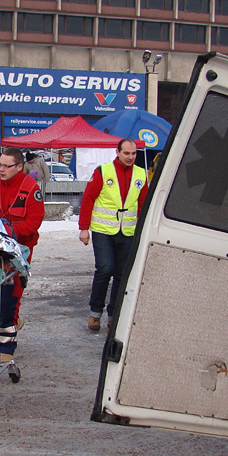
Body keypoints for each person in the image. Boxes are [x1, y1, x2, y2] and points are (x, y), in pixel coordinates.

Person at [0, 147, 45, 363]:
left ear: (19, 167)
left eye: (6, 166)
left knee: (12, 293)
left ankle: (7, 347)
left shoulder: (31, 188)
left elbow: (34, 221)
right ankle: (6, 322)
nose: (0, 169)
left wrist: (10, 232)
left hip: (20, 249)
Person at [78, 139, 148, 332]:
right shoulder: (103, 171)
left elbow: (143, 205)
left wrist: (142, 230)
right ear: (117, 152)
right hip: (103, 231)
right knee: (105, 269)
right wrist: (84, 228)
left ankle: (114, 315)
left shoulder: (141, 174)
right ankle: (95, 313)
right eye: (126, 153)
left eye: (133, 154)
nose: (130, 157)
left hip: (128, 231)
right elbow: (88, 199)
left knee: (121, 273)